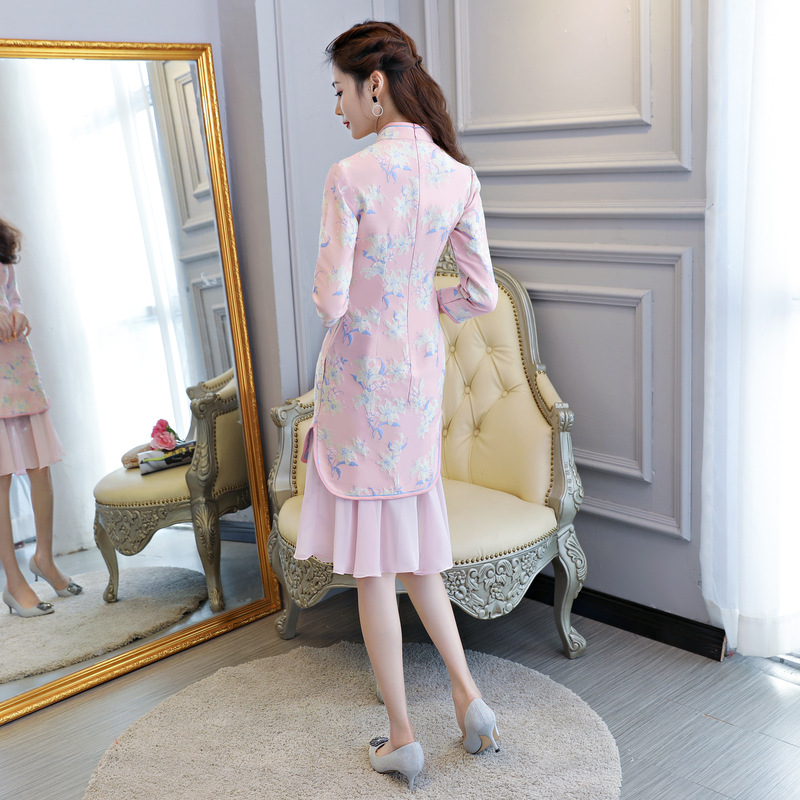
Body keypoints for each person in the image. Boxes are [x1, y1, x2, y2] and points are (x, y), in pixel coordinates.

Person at [293, 21, 500, 790]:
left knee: (376, 570)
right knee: (412, 554)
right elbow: (479, 293)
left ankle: (404, 737)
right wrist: (424, 302)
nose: (338, 108)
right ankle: (469, 698)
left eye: (340, 91)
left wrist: (371, 297)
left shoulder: (350, 176)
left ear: (373, 84)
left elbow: (330, 300)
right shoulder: (457, 176)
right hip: (417, 384)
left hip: (359, 384)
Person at [0, 217, 81, 618]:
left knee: (40, 468)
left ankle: (44, 558)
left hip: (16, 363)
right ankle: (14, 582)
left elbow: (11, 294)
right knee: (0, 480)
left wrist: (18, 313)